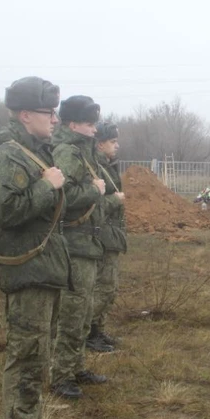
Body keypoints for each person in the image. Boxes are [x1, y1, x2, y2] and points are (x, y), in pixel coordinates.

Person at [0, 76, 74, 419]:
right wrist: (47, 186)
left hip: (44, 268)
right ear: (25, 115)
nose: (54, 119)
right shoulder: (9, 154)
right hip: (28, 270)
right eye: (46, 112)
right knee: (25, 358)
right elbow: (5, 211)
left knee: (40, 356)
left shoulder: (34, 151)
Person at [50, 96, 111, 400]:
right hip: (74, 243)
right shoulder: (68, 152)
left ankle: (76, 367)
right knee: (72, 312)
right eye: (88, 123)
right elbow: (64, 197)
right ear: (72, 124)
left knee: (83, 310)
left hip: (87, 242)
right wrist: (94, 191)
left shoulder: (83, 151)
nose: (94, 129)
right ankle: (61, 374)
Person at [88, 122, 127, 351]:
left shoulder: (107, 166)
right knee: (104, 286)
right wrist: (116, 200)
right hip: (102, 233)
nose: (117, 146)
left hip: (111, 232)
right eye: (112, 141)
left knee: (109, 287)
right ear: (100, 144)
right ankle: (90, 333)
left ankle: (98, 330)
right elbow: (95, 203)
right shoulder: (96, 168)